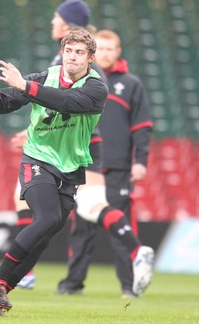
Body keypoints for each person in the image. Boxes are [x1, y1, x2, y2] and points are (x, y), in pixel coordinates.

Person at [0, 28, 108, 316]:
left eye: (79, 53)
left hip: (71, 167)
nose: (72, 57)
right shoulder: (43, 78)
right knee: (48, 218)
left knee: (47, 232)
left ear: (90, 58)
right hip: (37, 159)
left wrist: (24, 86)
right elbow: (5, 101)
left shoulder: (96, 88)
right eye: (68, 51)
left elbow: (67, 102)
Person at [11, 0, 107, 290]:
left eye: (56, 18)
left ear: (66, 22)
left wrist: (28, 92)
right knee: (50, 213)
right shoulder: (65, 60)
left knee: (80, 213)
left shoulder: (76, 65)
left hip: (75, 147)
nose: (52, 22)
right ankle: (34, 274)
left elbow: (68, 102)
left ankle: (67, 278)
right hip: (62, 144)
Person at [57, 29, 154, 298]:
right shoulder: (83, 81)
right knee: (81, 229)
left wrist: (140, 161)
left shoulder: (131, 84)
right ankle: (72, 284)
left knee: (119, 229)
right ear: (94, 53)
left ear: (118, 52)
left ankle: (129, 286)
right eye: (102, 49)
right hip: (85, 164)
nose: (106, 53)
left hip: (117, 167)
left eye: (111, 49)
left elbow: (142, 127)